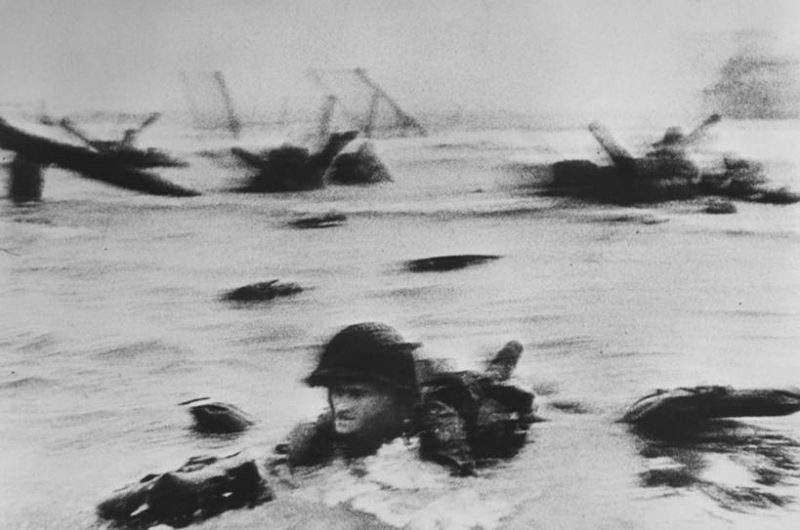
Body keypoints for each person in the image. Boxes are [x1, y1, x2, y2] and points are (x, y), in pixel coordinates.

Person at [276, 322, 422, 467]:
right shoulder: (313, 439)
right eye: (337, 392)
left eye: (356, 394)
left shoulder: (432, 438)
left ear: (397, 397)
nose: (341, 407)